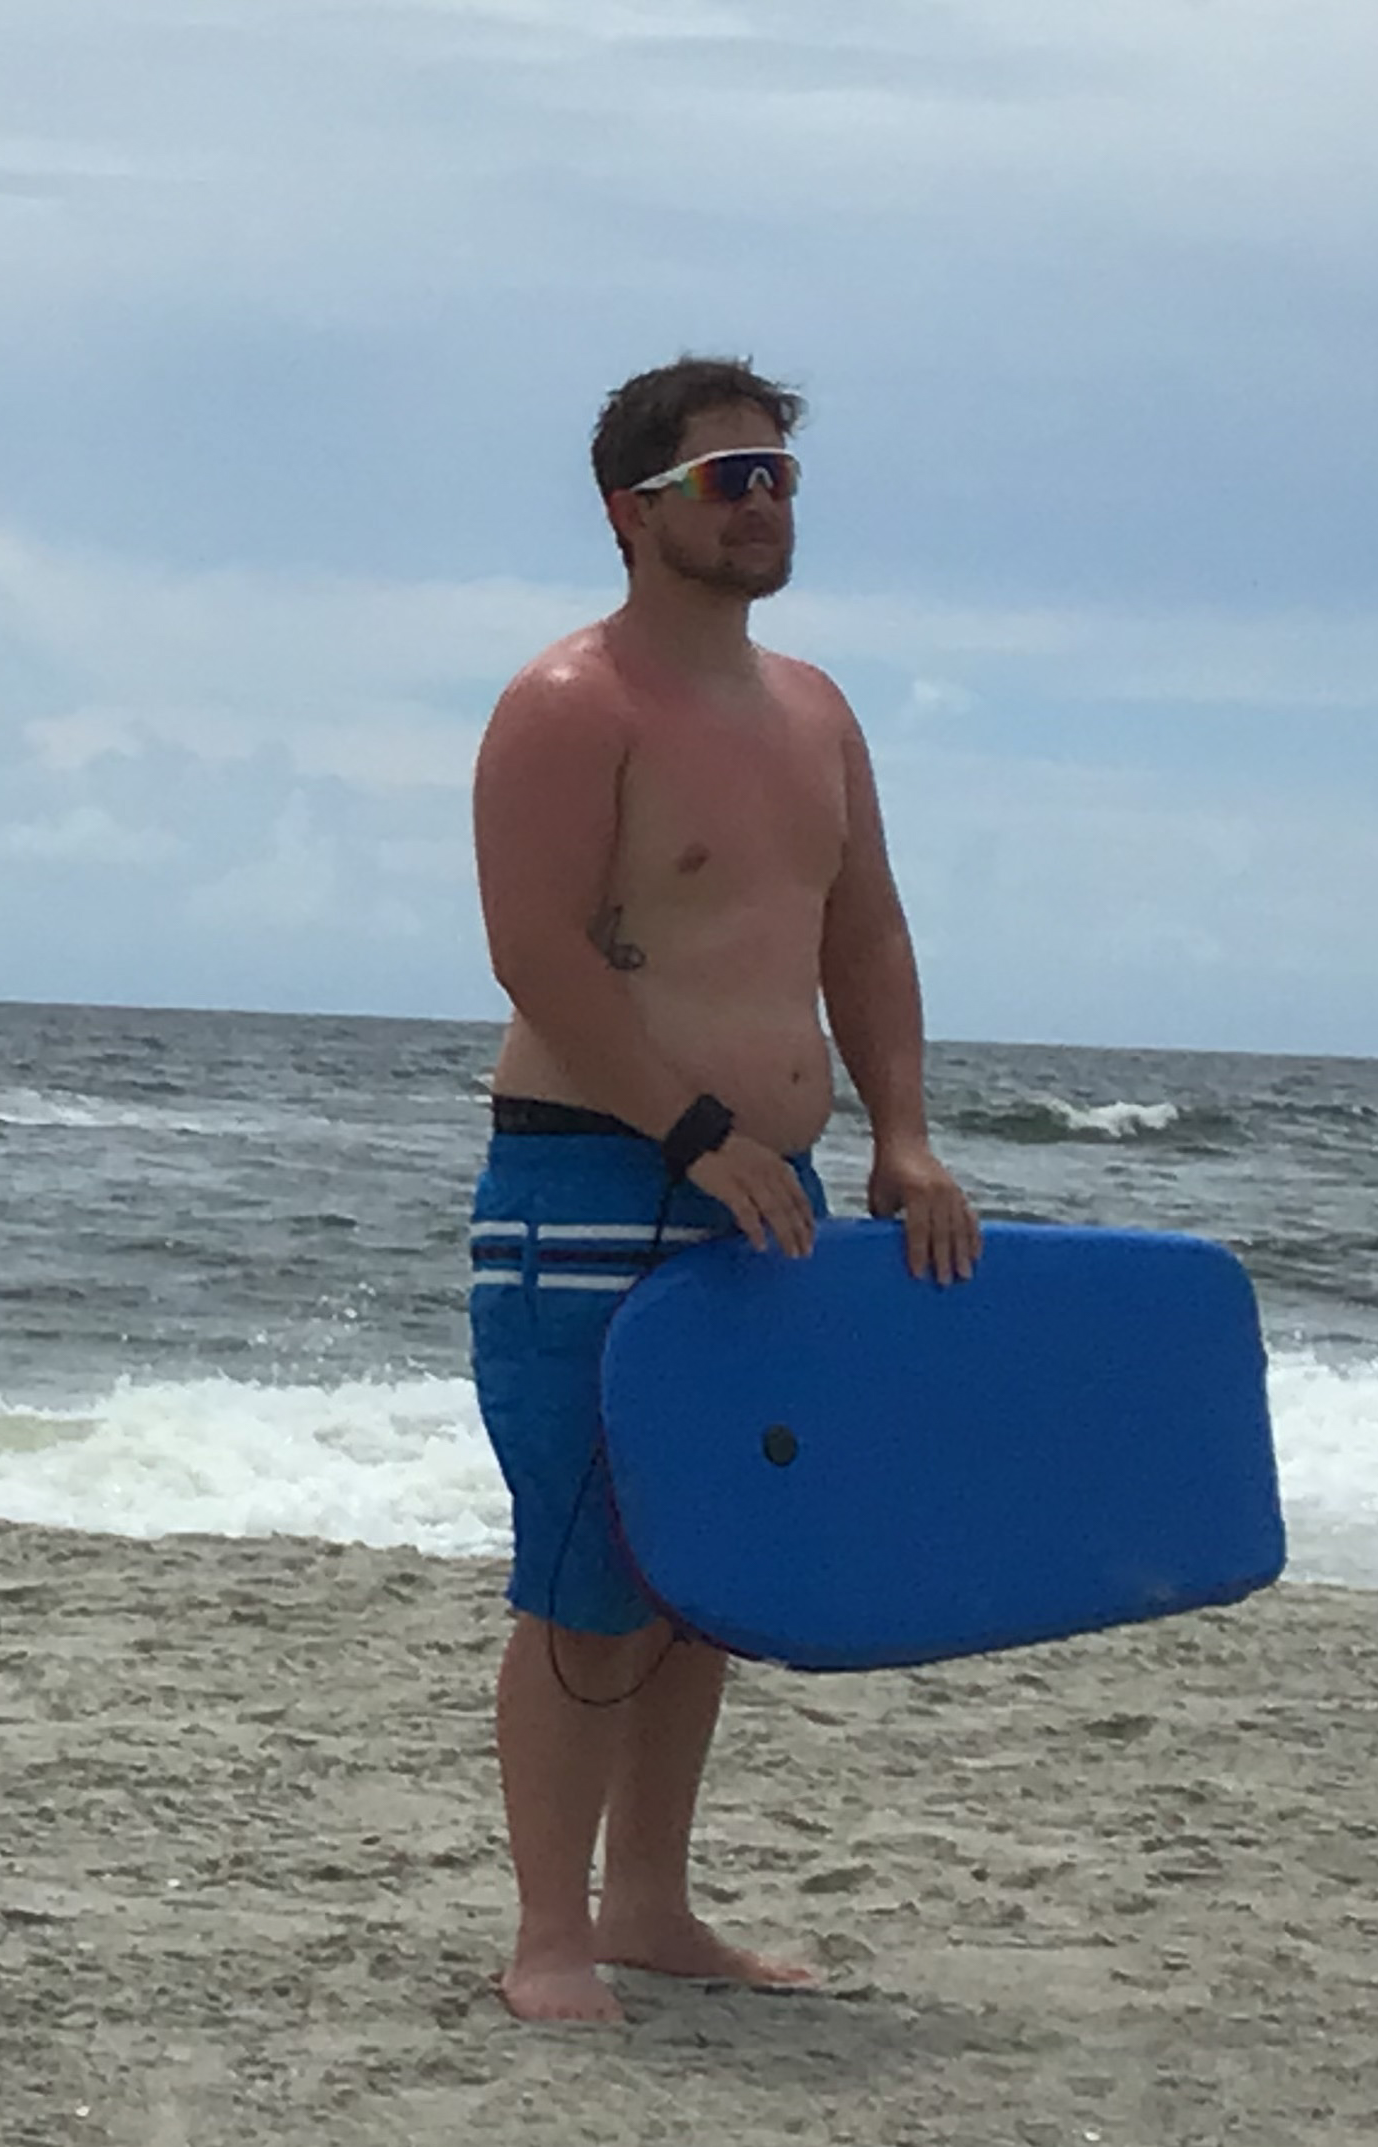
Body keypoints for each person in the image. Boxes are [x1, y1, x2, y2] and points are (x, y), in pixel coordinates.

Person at [467, 356, 980, 2024]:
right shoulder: (572, 703)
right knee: (588, 1572)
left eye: (779, 476)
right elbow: (538, 950)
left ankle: (652, 1906)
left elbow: (865, 934)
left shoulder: (818, 711)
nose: (765, 502)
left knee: (703, 1574)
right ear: (635, 513)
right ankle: (549, 1933)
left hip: (772, 1190)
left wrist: (899, 1139)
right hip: (595, 1178)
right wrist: (694, 1132)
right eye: (731, 476)